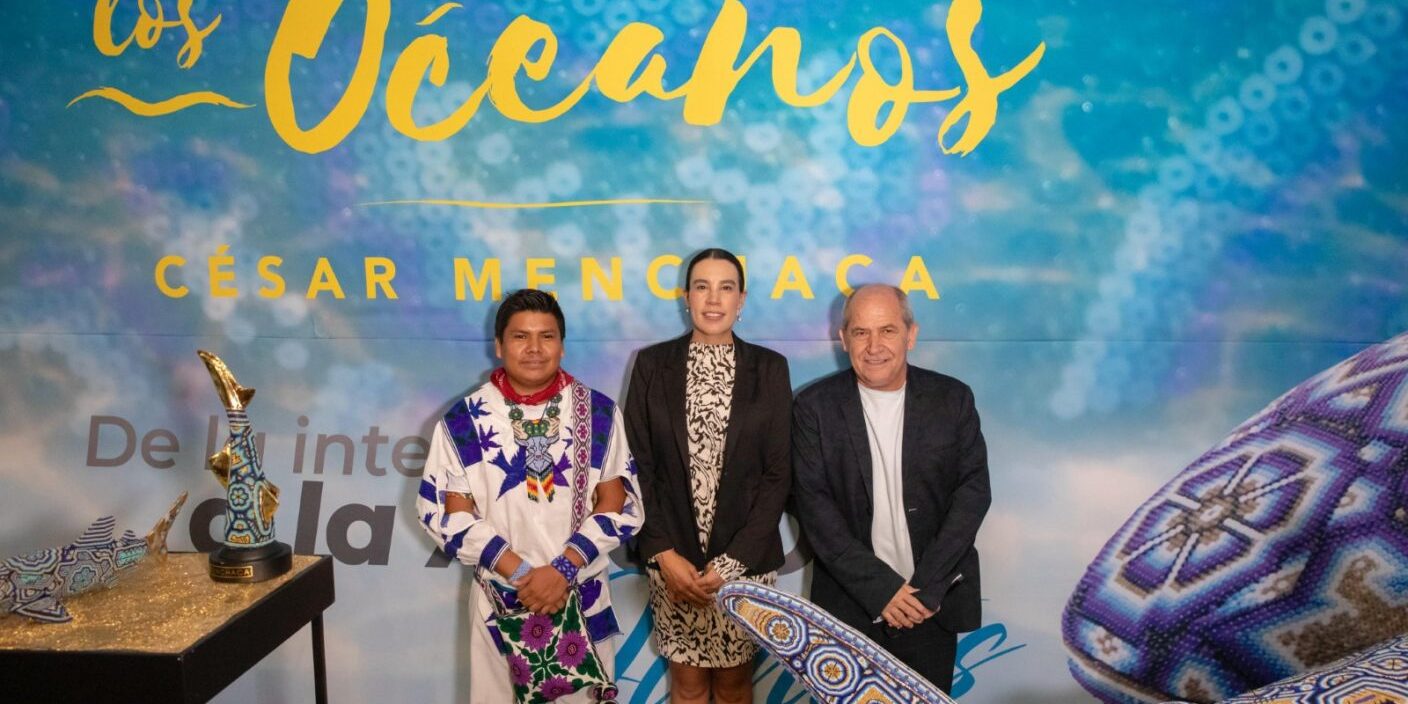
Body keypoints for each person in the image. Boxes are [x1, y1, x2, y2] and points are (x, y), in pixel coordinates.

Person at [417, 289, 643, 704]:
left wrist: (561, 570)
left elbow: (616, 503)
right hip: (501, 601)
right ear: (499, 345)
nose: (535, 348)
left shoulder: (597, 413)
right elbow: (450, 515)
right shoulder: (464, 420)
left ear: (562, 344)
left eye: (547, 336)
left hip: (580, 598)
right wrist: (525, 575)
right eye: (520, 336)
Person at [791, 283, 990, 693]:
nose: (874, 346)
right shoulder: (813, 408)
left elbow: (972, 495)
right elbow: (815, 509)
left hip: (929, 605)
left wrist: (924, 591)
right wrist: (883, 591)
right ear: (843, 339)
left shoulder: (952, 399)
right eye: (861, 332)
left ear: (910, 335)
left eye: (887, 330)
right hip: (848, 607)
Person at [625, 248, 793, 704]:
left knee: (737, 687)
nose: (714, 299)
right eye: (702, 286)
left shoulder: (770, 368)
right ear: (687, 297)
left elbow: (778, 474)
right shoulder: (651, 365)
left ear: (741, 299)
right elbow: (637, 465)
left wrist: (731, 565)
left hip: (746, 564)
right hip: (674, 564)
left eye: (726, 288)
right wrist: (663, 553)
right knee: (687, 685)